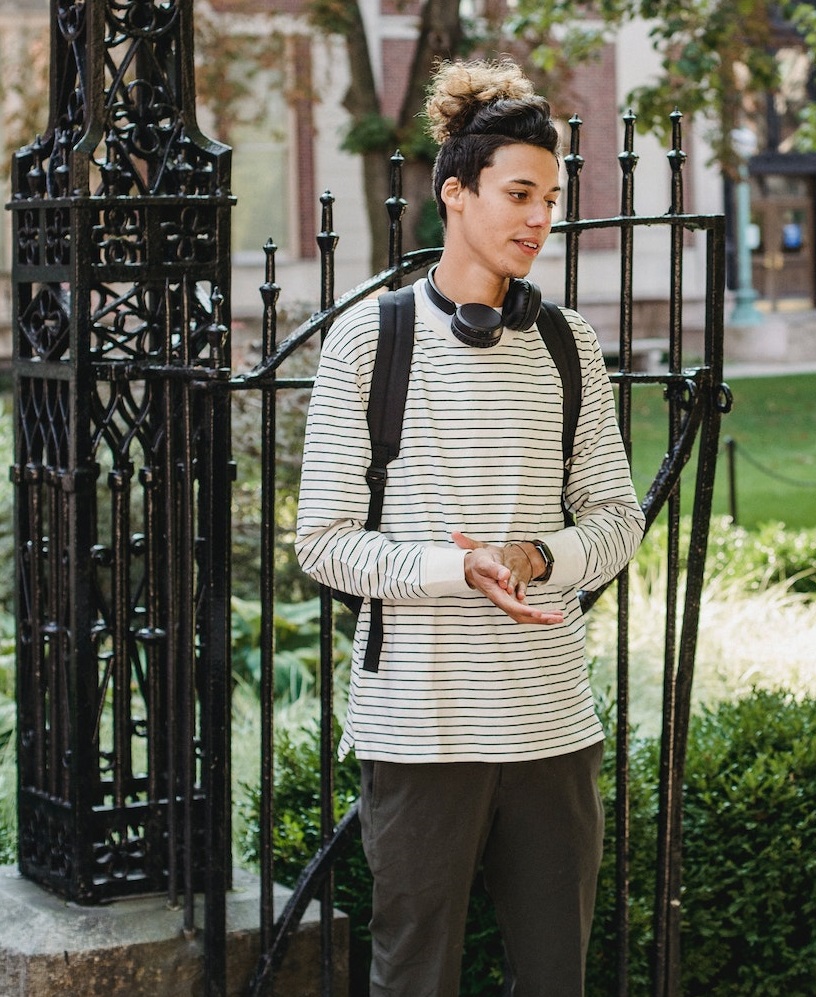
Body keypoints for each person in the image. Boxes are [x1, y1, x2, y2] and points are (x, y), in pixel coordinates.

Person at [294, 58, 645, 997]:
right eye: (518, 193)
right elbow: (322, 541)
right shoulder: (371, 338)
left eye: (552, 196)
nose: (540, 218)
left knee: (555, 980)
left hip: (552, 730)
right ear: (455, 192)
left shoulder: (570, 343)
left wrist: (536, 556)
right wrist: (460, 570)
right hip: (418, 735)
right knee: (414, 980)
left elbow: (618, 518)